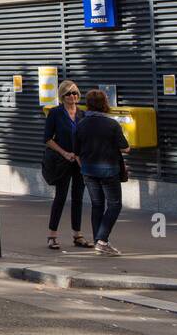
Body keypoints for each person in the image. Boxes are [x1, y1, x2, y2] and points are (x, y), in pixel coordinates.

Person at [75, 88, 129, 255]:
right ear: (104, 104)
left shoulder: (81, 124)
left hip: (88, 170)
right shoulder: (112, 124)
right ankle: (102, 240)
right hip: (108, 170)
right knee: (114, 204)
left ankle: (99, 241)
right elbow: (125, 147)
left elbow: (76, 151)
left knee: (97, 205)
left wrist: (83, 166)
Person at [42, 81, 90, 250]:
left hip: (78, 162)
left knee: (78, 198)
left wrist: (79, 156)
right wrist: (64, 153)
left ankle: (77, 234)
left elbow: (85, 139)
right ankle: (52, 235)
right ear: (62, 96)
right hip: (62, 161)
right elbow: (47, 139)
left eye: (75, 93)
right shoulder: (55, 113)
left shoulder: (82, 114)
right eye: (69, 94)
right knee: (60, 197)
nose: (73, 97)